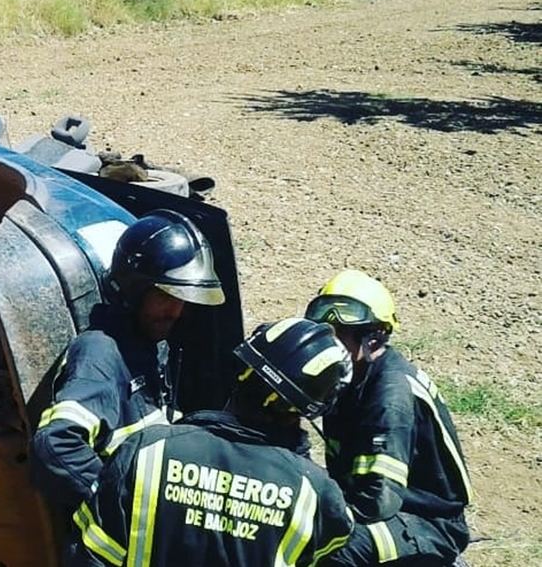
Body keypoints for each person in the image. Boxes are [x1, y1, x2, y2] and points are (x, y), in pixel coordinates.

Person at [71, 317, 355, 567]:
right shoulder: (314, 492)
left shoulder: (146, 451)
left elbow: (92, 556)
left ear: (240, 373)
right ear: (304, 411)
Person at [30, 209, 226, 514]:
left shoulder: (153, 344)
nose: (176, 311)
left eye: (183, 299)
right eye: (166, 297)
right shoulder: (100, 353)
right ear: (133, 289)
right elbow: (56, 445)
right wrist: (121, 504)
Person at [305, 269, 473, 567]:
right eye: (324, 330)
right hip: (375, 502)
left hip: (427, 524)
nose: (328, 343)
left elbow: (378, 501)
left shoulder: (390, 399)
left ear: (373, 338)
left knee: (333, 552)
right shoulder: (350, 377)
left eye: (340, 334)